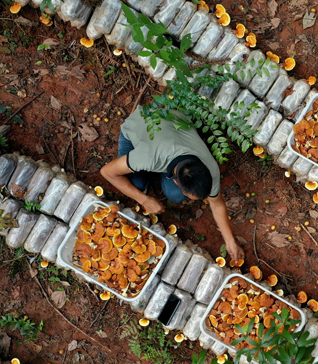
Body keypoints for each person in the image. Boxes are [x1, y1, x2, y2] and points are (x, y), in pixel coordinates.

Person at [100, 108, 244, 262]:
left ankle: (156, 172)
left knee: (175, 194)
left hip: (168, 122)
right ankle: (146, 174)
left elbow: (216, 204)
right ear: (176, 180)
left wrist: (230, 241)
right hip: (140, 127)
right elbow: (107, 172)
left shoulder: (210, 167)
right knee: (136, 183)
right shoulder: (146, 157)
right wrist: (143, 200)